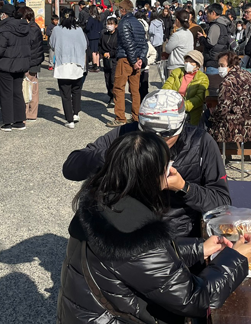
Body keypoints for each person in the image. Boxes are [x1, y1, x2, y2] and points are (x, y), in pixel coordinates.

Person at [56, 130, 251, 324]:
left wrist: (199, 248)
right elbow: (194, 299)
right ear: (150, 177)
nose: (170, 171)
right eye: (166, 166)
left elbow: (137, 263)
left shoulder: (102, 201)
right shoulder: (135, 233)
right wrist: (237, 258)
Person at [63, 89, 232, 237]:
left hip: (177, 233)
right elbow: (71, 168)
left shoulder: (201, 142)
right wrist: (119, 155)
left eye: (165, 137)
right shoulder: (127, 133)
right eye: (148, 135)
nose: (156, 144)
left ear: (181, 127)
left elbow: (222, 201)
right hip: (126, 230)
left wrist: (183, 188)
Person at [207, 51, 251, 146]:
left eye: (222, 65)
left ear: (231, 65)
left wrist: (212, 113)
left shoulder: (228, 82)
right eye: (219, 65)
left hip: (238, 124)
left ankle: (208, 152)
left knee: (207, 116)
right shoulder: (250, 75)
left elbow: (223, 109)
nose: (220, 68)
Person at [0, 3, 31, 132]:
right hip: (20, 64)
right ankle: (19, 121)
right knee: (17, 92)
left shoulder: (4, 29)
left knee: (6, 94)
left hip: (6, 64)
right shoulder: (24, 27)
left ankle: (7, 123)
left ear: (4, 15)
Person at [107, 0, 148, 127]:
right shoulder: (138, 23)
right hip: (137, 59)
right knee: (135, 90)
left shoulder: (124, 23)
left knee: (119, 88)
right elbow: (144, 44)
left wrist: (133, 61)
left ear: (123, 10)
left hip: (126, 59)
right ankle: (136, 117)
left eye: (120, 8)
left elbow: (127, 43)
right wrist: (140, 58)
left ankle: (120, 117)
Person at [50, 8, 88, 129]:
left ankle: (69, 119)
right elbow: (85, 45)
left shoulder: (56, 29)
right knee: (76, 90)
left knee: (65, 94)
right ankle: (76, 113)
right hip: (77, 64)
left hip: (63, 64)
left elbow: (51, 44)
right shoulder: (78, 30)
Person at [162, 51, 209, 126]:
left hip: (192, 112)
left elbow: (200, 98)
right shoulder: (177, 72)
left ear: (197, 65)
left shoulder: (202, 78)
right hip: (173, 108)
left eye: (191, 62)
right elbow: (167, 86)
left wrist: (184, 106)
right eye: (186, 61)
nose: (188, 64)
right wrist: (171, 101)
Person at [18, 6, 44, 121]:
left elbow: (27, 45)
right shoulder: (35, 27)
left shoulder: (30, 29)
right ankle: (32, 113)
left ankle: (27, 112)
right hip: (35, 62)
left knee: (27, 88)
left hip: (29, 62)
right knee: (32, 87)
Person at [198, 4, 231, 75]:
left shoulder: (215, 25)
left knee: (212, 83)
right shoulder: (224, 24)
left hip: (213, 61)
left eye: (207, 13)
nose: (206, 16)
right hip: (221, 60)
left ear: (213, 13)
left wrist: (202, 38)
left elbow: (210, 43)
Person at [99, 16, 119, 107]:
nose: (109, 26)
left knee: (113, 80)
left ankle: (115, 97)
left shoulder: (118, 35)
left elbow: (119, 48)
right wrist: (103, 53)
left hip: (115, 60)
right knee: (107, 79)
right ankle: (110, 95)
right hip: (106, 60)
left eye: (111, 24)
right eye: (108, 24)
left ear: (116, 25)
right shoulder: (104, 35)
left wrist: (111, 54)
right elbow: (100, 46)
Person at [84, 7, 103, 72]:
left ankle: (94, 65)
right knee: (97, 51)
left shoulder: (91, 18)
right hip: (98, 36)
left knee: (93, 51)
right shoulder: (99, 18)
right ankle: (98, 65)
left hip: (92, 36)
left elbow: (87, 27)